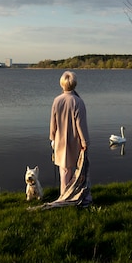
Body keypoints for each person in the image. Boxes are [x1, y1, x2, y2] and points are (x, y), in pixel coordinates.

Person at [49, 70, 92, 205]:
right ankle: (82, 196)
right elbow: (81, 125)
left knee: (64, 171)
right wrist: (85, 142)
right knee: (80, 170)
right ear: (74, 84)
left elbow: (53, 123)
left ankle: (64, 196)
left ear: (62, 85)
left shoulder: (57, 100)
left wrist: (52, 138)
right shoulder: (78, 102)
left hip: (60, 141)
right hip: (75, 142)